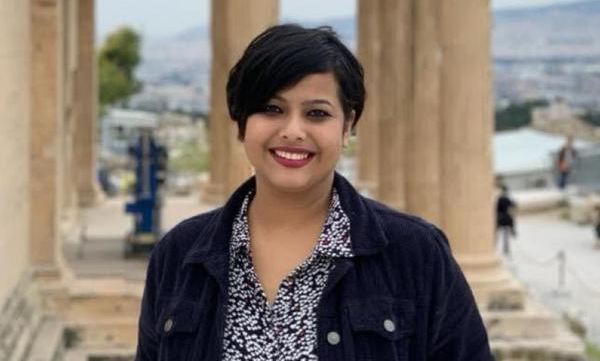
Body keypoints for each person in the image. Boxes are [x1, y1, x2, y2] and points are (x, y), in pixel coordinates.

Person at [134, 24, 494, 360]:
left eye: (317, 113)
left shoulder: (415, 252)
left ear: (347, 126)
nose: (293, 130)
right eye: (271, 109)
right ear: (241, 123)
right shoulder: (179, 254)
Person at [496, 184, 517, 255]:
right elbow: (513, 205)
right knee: (504, 234)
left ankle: (502, 248)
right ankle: (513, 231)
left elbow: (497, 209)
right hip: (505, 218)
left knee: (500, 234)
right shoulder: (506, 198)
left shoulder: (500, 198)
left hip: (501, 218)